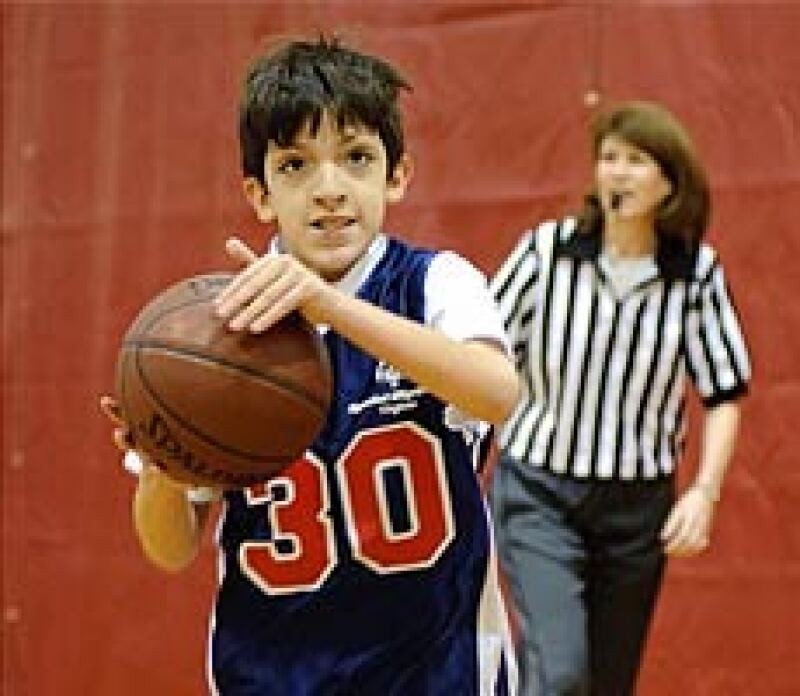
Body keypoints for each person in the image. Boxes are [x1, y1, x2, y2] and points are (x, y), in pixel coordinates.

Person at [101, 36, 520, 695]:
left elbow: (498, 394)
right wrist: (161, 464)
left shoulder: (435, 283)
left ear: (397, 176)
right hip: (270, 673)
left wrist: (329, 307)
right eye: (295, 166)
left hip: (435, 672)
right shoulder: (215, 328)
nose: (330, 189)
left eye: (356, 158)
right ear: (260, 193)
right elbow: (170, 548)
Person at [489, 101, 751, 696]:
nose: (618, 173)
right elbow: (484, 354)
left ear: (670, 182)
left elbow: (725, 393)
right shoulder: (546, 252)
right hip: (540, 491)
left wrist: (705, 492)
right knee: (559, 673)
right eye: (609, 159)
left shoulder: (695, 276)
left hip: (637, 508)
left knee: (607, 684)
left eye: (637, 161)